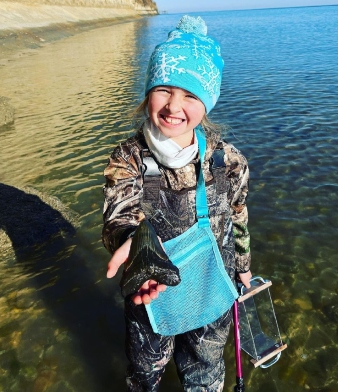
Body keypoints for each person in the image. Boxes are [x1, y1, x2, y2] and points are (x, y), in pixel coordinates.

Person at [101, 15, 253, 391]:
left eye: (190, 95)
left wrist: (245, 267)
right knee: (145, 372)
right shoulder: (129, 157)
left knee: (205, 367)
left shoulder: (228, 160)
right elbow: (120, 213)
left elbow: (238, 216)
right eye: (163, 90)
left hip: (211, 287)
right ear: (148, 92)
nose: (173, 106)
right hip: (149, 288)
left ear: (208, 102)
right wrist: (134, 245)